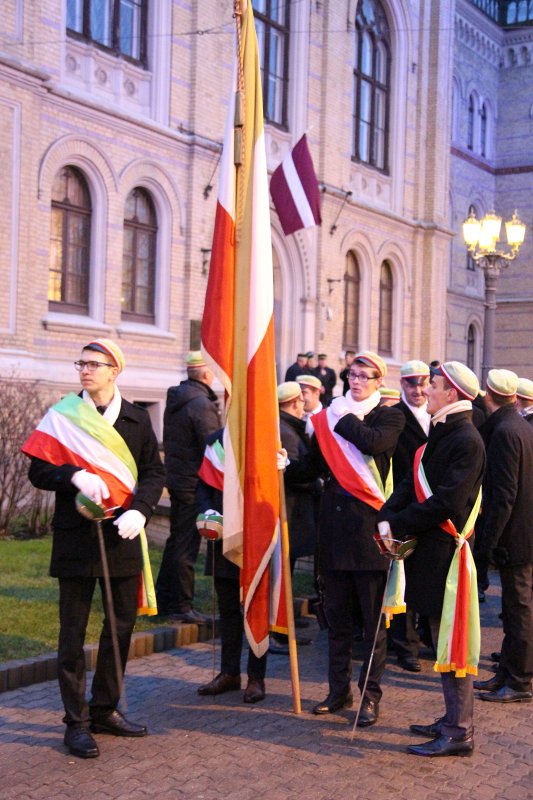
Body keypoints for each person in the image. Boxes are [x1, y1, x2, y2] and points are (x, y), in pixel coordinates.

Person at [23, 338, 165, 759]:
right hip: (76, 538)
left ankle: (105, 708)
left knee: (120, 628)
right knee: (72, 633)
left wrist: (141, 510)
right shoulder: (63, 416)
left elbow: (154, 472)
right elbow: (37, 470)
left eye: (93, 363)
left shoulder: (138, 419)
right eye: (81, 363)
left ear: (113, 370)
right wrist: (72, 476)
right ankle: (76, 721)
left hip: (121, 535)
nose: (84, 370)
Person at [287, 351, 405, 727]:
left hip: (370, 533)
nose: (355, 381)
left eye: (364, 376)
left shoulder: (389, 416)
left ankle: (370, 696)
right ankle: (338, 691)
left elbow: (372, 444)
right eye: (352, 374)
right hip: (335, 533)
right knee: (336, 621)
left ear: (377, 381)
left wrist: (338, 414)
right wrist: (285, 467)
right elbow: (315, 466)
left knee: (372, 625)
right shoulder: (328, 418)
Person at [377, 361, 485, 757]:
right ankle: (451, 718)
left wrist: (400, 523)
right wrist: (386, 515)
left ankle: (459, 731)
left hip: (447, 559)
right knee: (441, 639)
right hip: (430, 554)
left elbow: (446, 502)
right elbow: (411, 480)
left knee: (452, 642)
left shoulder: (467, 439)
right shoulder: (441, 433)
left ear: (452, 394)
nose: (426, 389)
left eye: (433, 384)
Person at [473, 369, 533, 704]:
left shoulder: (506, 432)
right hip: (521, 532)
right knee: (513, 609)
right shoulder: (518, 425)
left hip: (516, 537)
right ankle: (507, 674)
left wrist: (490, 541)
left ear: (488, 394)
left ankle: (520, 681)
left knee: (518, 608)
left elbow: (504, 495)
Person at [195, 430, 268, 703]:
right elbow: (201, 485)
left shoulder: (265, 436)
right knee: (228, 610)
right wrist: (207, 510)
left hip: (256, 536)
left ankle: (256, 678)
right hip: (223, 536)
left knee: (256, 608)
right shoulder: (215, 440)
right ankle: (229, 673)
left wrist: (283, 468)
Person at [155, 351, 221, 623]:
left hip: (179, 479)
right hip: (193, 484)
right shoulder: (201, 405)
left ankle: (164, 598)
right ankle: (181, 605)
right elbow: (213, 444)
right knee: (186, 546)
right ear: (206, 374)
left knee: (176, 542)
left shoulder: (179, 398)